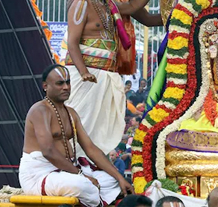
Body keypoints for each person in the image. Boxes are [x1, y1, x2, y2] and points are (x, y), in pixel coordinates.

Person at [65, 0, 167, 154]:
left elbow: (132, 6)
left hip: (106, 76)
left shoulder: (109, 4)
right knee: (79, 131)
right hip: (86, 77)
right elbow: (72, 43)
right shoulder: (81, 4)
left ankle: (94, 167)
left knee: (101, 133)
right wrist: (84, 72)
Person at [19, 64, 133, 207]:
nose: (66, 87)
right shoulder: (39, 110)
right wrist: (80, 175)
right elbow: (48, 151)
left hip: (67, 171)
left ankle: (93, 196)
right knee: (82, 185)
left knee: (112, 180)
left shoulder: (71, 113)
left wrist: (119, 177)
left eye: (68, 82)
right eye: (60, 83)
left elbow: (90, 149)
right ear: (45, 86)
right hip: (40, 174)